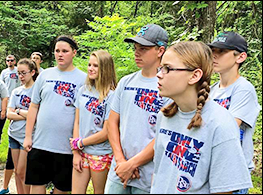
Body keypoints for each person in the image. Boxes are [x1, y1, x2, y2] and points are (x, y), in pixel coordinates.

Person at [151, 41, 253, 193]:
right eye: (160, 68)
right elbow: (159, 172)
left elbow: (223, 190)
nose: (159, 74)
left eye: (167, 68)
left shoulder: (221, 123)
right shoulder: (164, 115)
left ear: (194, 76)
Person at [105, 24, 170, 194]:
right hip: (118, 170)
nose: (137, 52)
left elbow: (166, 134)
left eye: (143, 48)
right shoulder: (126, 82)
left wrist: (133, 164)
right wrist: (121, 161)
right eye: (135, 48)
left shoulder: (169, 86)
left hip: (149, 175)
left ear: (160, 50)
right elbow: (112, 122)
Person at [23, 35, 86, 194]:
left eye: (65, 51)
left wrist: (78, 146)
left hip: (66, 147)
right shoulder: (45, 75)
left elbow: (83, 116)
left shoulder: (83, 79)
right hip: (40, 142)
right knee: (37, 185)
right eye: (57, 50)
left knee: (62, 189)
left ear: (74, 53)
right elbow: (34, 106)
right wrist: (28, 136)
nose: (60, 54)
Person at [208, 31, 261, 194]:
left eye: (222, 52)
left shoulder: (243, 89)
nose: (215, 56)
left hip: (232, 174)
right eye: (213, 51)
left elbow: (227, 129)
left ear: (240, 57)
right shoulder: (212, 90)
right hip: (211, 168)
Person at [70, 50, 117, 194]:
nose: (90, 68)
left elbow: (106, 132)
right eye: (89, 64)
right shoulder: (83, 90)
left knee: (99, 191)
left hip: (101, 153)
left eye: (95, 66)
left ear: (105, 68)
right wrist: (76, 151)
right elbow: (77, 122)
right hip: (81, 152)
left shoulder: (112, 95)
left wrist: (80, 143)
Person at [5, 58, 39, 194]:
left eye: (24, 73)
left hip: (28, 136)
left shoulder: (37, 91)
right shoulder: (16, 91)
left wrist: (18, 110)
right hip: (13, 134)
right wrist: (26, 113)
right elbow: (9, 114)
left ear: (32, 72)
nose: (21, 76)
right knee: (17, 172)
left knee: (22, 171)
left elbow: (37, 116)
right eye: (19, 73)